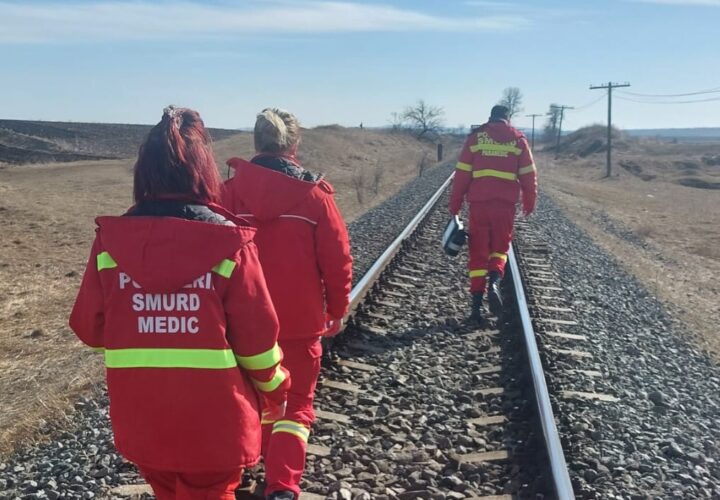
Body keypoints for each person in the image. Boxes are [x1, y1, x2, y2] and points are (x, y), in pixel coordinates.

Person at [69, 106, 290, 500]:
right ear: (203, 170)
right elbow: (257, 343)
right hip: (215, 426)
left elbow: (90, 327)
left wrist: (144, 333)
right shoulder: (231, 243)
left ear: (143, 171)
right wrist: (277, 387)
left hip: (144, 423)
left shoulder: (111, 243)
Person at [222, 108, 352, 500]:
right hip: (299, 322)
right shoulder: (316, 197)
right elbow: (337, 260)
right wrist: (337, 309)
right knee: (294, 407)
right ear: (294, 144)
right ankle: (282, 485)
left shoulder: (227, 194)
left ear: (256, 142)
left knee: (251, 397)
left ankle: (242, 465)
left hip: (238, 324)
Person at [448, 104, 538, 321]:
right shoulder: (518, 140)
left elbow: (462, 174)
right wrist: (529, 201)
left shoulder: (476, 138)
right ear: (508, 119)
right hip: (505, 206)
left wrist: (455, 204)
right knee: (499, 249)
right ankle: (495, 281)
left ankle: (476, 307)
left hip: (479, 205)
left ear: (490, 118)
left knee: (478, 252)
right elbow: (528, 174)